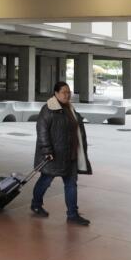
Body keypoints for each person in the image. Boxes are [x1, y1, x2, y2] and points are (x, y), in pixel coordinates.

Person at [30, 81, 92, 225]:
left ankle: (72, 214)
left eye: (68, 92)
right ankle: (36, 204)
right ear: (56, 93)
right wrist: (47, 151)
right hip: (54, 156)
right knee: (45, 182)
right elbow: (42, 131)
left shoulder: (70, 108)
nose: (67, 94)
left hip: (70, 154)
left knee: (71, 184)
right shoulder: (48, 109)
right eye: (64, 92)